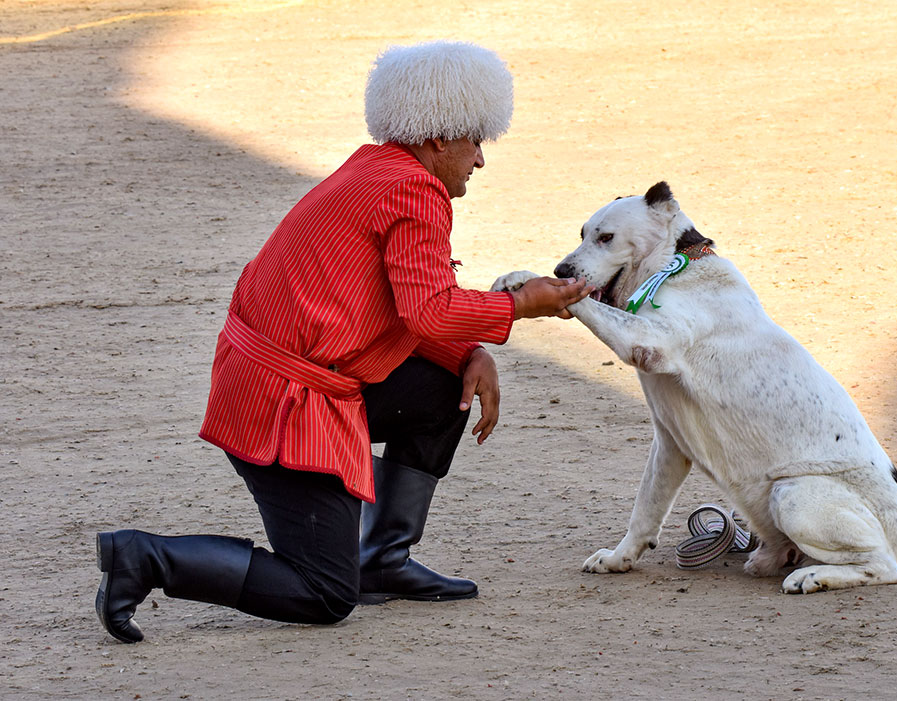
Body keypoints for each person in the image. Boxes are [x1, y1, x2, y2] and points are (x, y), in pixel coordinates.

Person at [95, 41, 591, 643]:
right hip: (286, 407)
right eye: (475, 142)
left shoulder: (375, 168)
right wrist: (520, 305)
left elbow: (402, 308)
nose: (480, 161)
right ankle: (147, 558)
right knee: (324, 594)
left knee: (444, 392)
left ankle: (382, 562)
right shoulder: (416, 192)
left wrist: (470, 351)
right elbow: (430, 310)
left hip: (272, 380)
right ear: (437, 139)